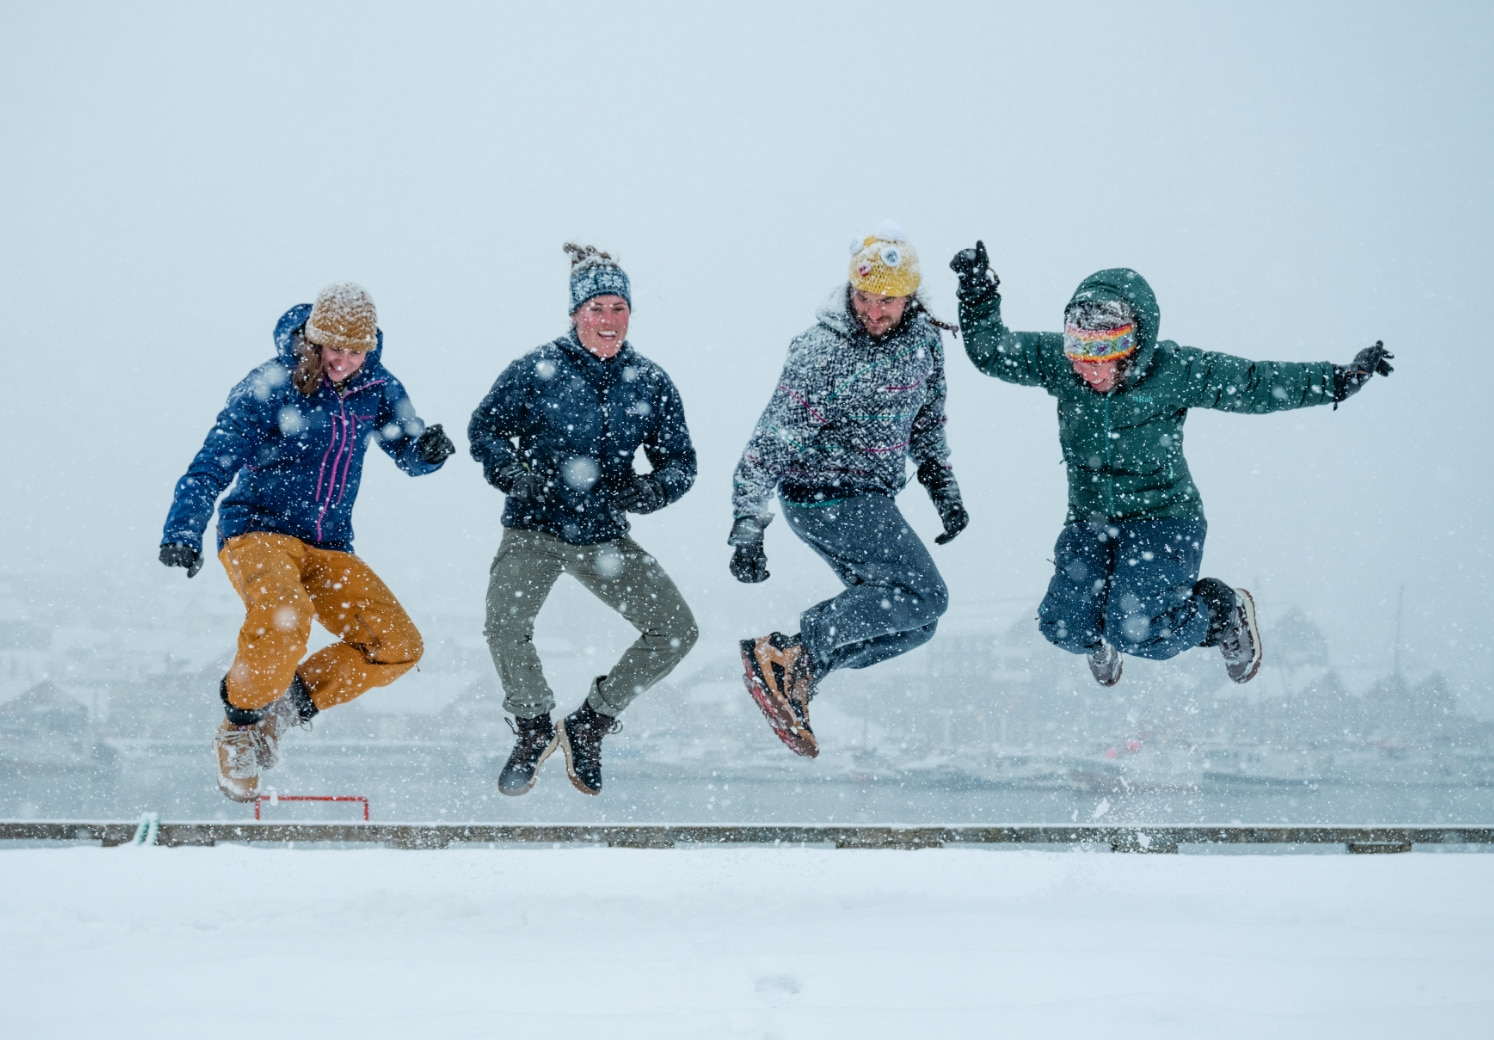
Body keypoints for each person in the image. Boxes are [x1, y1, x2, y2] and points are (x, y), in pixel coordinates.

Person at [950, 241, 1394, 686]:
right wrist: (976, 292)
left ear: (1131, 348)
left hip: (1163, 519)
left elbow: (1256, 382)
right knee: (1063, 627)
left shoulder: (1174, 372)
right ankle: (1100, 634)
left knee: (1140, 632)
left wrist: (1336, 380)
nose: (1086, 370)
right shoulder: (1062, 367)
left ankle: (1223, 611)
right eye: (1077, 356)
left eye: (1099, 359)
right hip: (1091, 519)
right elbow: (993, 351)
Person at [159, 283, 455, 801]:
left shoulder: (379, 386)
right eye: (333, 348)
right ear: (314, 340)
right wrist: (183, 529)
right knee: (284, 618)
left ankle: (284, 710)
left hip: (329, 544)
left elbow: (408, 452)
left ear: (370, 346)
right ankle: (239, 729)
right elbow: (212, 463)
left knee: (398, 647)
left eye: (355, 350)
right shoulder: (270, 385)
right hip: (258, 530)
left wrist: (428, 452)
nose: (343, 361)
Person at [730, 224, 969, 758]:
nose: (873, 311)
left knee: (917, 624)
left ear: (910, 296)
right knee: (927, 595)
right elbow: (770, 439)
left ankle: (798, 675)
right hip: (824, 495)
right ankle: (791, 651)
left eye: (887, 300)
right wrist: (748, 524)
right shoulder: (822, 351)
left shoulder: (925, 343)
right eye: (864, 296)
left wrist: (943, 487)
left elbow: (928, 423)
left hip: (871, 496)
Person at [470, 244, 698, 797]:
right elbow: (485, 430)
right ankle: (532, 728)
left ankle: (588, 724)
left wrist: (645, 492)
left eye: (618, 308)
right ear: (575, 313)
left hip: (603, 536)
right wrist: (514, 475)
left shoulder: (649, 381)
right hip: (534, 530)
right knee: (504, 627)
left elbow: (681, 465)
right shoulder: (536, 371)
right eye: (596, 307)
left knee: (677, 631)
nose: (608, 320)